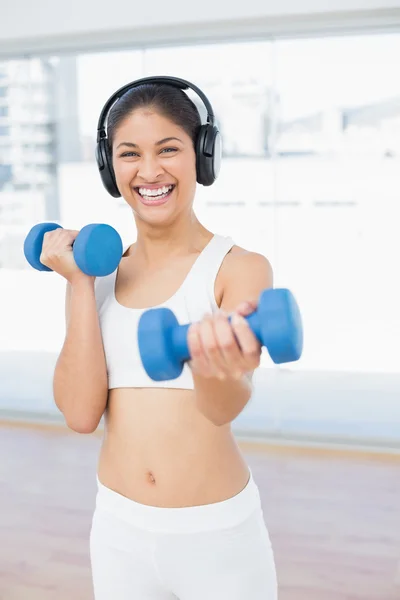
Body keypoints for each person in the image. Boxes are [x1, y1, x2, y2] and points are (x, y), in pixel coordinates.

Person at [41, 76, 278, 599]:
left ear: (202, 156)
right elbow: (81, 416)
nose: (149, 171)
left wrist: (212, 363)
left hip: (215, 536)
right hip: (118, 529)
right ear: (110, 168)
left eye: (168, 149)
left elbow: (223, 407)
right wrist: (80, 284)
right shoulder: (96, 276)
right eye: (129, 153)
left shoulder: (237, 269)